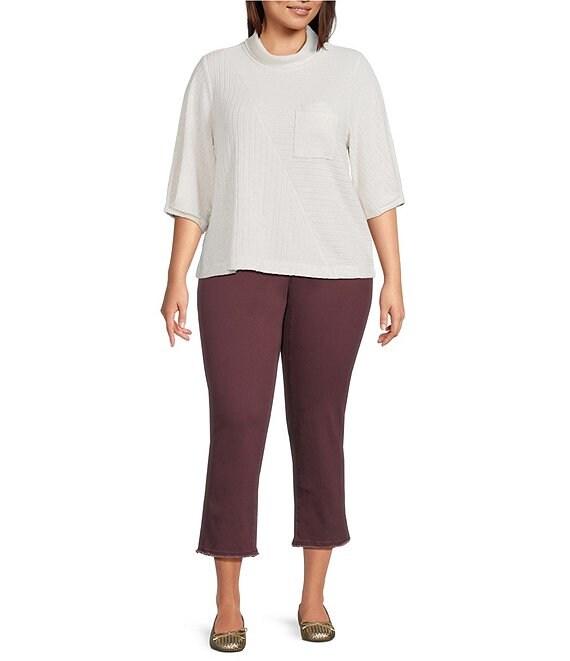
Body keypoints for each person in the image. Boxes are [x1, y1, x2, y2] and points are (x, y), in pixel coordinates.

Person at [160, 0, 405, 652]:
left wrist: (394, 276)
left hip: (335, 274)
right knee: (237, 424)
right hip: (236, 267)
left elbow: (376, 180)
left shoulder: (351, 72)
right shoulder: (216, 73)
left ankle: (313, 595)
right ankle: (228, 600)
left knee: (319, 427)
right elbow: (194, 184)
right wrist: (175, 276)